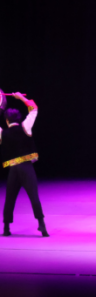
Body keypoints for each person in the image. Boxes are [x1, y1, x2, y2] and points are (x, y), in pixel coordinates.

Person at [1, 93, 48, 237]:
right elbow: (34, 109)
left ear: (6, 120)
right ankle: (41, 225)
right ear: (19, 118)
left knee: (10, 198)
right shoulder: (25, 126)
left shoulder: (3, 133)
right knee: (34, 196)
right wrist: (21, 98)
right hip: (27, 168)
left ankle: (6, 228)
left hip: (13, 170)